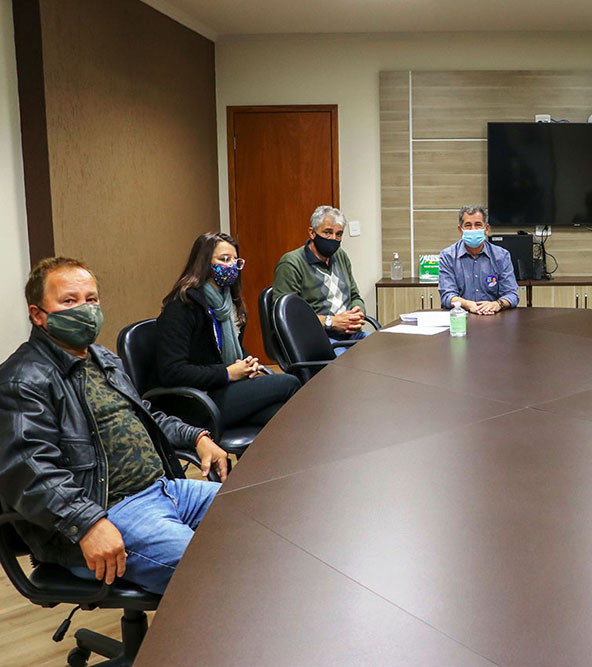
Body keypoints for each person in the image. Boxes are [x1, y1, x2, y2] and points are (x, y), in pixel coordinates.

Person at [0, 257, 230, 595]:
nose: (85, 309)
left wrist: (195, 437)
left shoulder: (102, 359)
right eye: (69, 301)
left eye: (91, 299)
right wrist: (88, 523)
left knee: (263, 517)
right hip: (107, 513)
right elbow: (29, 472)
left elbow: (145, 415)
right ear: (38, 315)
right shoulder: (21, 380)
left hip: (166, 490)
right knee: (218, 571)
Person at [158, 232, 300, 429]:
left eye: (235, 260)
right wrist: (227, 373)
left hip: (223, 389)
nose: (232, 266)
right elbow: (172, 372)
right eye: (224, 259)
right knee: (290, 382)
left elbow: (228, 350)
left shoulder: (228, 303)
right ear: (204, 262)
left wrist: (247, 362)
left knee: (279, 415)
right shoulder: (181, 307)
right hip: (196, 401)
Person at [274, 206, 369, 355]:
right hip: (317, 339)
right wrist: (331, 322)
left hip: (350, 334)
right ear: (312, 233)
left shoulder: (340, 256)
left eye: (338, 234)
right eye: (327, 232)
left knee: (383, 351)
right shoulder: (291, 263)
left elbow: (355, 296)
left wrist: (357, 313)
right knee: (352, 366)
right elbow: (288, 316)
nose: (333, 239)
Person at [438, 205, 519, 314]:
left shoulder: (501, 256)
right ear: (460, 230)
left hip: (493, 318)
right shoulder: (448, 256)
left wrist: (497, 304)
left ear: (486, 229)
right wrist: (468, 304)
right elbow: (447, 296)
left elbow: (512, 295)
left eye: (478, 225)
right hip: (461, 318)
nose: (473, 229)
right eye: (468, 225)